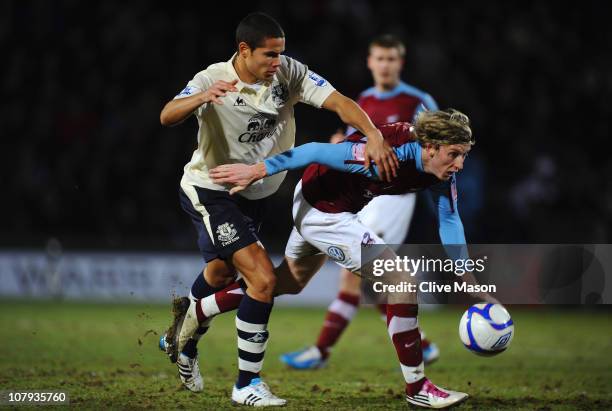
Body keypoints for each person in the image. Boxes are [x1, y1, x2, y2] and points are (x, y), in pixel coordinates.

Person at [158, 11, 399, 406]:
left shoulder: (289, 73)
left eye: (281, 54)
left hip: (256, 194)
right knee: (263, 280)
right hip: (213, 189)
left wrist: (372, 133)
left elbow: (339, 101)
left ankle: (181, 341)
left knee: (219, 275)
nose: (278, 63)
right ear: (244, 50)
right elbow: (167, 114)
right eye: (270, 55)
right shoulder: (212, 77)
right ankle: (246, 383)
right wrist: (200, 98)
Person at [178, 109, 493, 408]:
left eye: (464, 154)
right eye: (455, 154)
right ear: (432, 147)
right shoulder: (387, 154)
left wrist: (467, 279)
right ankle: (418, 389)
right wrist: (257, 170)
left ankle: (200, 309)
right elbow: (314, 150)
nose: (460, 164)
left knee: (284, 283)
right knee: (401, 281)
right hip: (324, 213)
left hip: (321, 202)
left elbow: (450, 220)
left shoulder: (438, 170)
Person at [280, 34, 441, 370]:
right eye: (380, 59)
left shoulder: (418, 100)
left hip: (394, 199)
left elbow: (437, 147)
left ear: (401, 62)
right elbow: (353, 139)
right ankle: (420, 344)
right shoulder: (363, 99)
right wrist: (340, 142)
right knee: (365, 280)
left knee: (360, 276)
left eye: (391, 59)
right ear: (370, 62)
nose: (385, 65)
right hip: (363, 193)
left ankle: (321, 351)